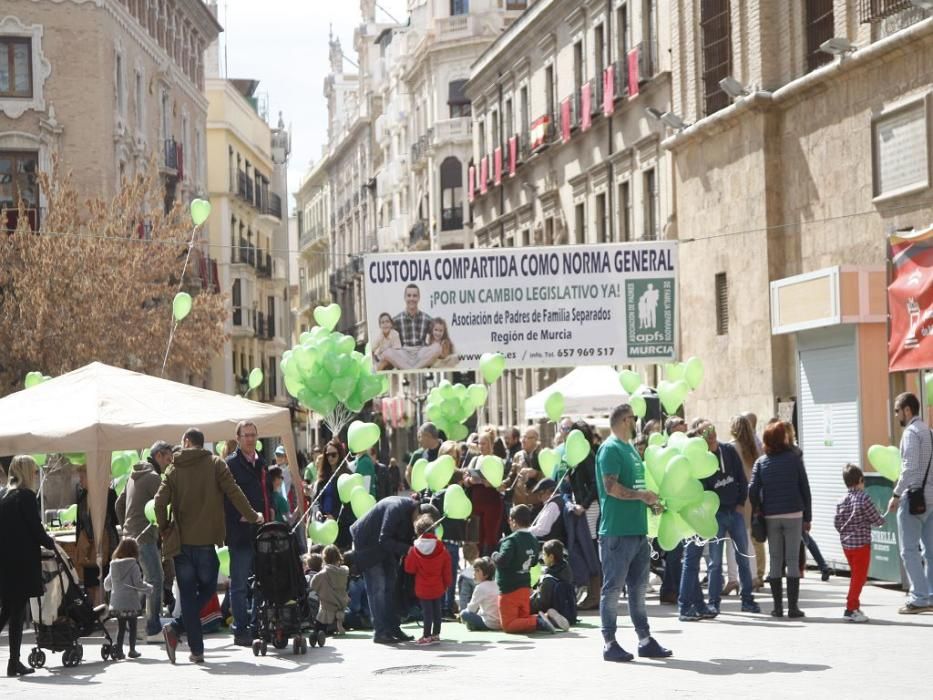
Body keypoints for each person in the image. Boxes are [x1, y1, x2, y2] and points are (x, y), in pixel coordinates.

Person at [155, 427, 263, 664]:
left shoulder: (173, 468)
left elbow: (159, 502)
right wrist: (253, 515)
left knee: (189, 596)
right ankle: (179, 633)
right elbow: (234, 493)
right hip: (206, 543)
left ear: (185, 442)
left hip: (181, 544)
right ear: (202, 444)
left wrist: (164, 528)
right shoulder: (216, 464)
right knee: (206, 591)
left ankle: (194, 648)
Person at [596, 404, 671, 662]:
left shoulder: (629, 449)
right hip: (617, 531)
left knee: (638, 589)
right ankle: (609, 643)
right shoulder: (610, 449)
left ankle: (645, 640)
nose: (636, 423)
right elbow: (611, 488)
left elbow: (638, 486)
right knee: (613, 589)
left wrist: (651, 501)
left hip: (637, 530)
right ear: (626, 420)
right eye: (634, 419)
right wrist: (642, 496)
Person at [350, 495, 439, 644]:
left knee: (392, 585)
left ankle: (393, 627)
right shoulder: (395, 508)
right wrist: (409, 549)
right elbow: (384, 538)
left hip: (386, 546)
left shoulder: (411, 516)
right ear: (419, 514)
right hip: (367, 542)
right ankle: (380, 631)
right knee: (378, 587)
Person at [693, 420, 760, 616]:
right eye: (706, 432)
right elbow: (701, 490)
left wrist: (740, 504)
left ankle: (747, 599)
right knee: (714, 562)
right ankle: (714, 603)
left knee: (743, 558)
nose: (711, 434)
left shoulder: (728, 451)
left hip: (735, 512)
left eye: (712, 429)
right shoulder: (701, 459)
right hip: (716, 516)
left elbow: (741, 478)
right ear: (700, 436)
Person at [748, 420, 811, 618]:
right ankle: (793, 607)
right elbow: (805, 488)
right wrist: (808, 516)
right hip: (793, 514)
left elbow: (752, 489)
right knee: (792, 559)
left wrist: (759, 507)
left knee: (775, 559)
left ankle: (777, 608)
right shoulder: (794, 459)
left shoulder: (761, 462)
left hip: (771, 515)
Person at [0, 456, 55, 677]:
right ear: (26, 472)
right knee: (16, 613)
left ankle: (14, 662)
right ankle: (14, 662)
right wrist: (51, 543)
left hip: (4, 561)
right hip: (21, 562)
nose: (36, 476)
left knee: (7, 609)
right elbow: (35, 528)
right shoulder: (26, 496)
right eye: (34, 472)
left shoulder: (3, 495)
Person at [115, 441, 171, 643]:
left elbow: (118, 504)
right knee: (155, 579)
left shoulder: (133, 475)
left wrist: (126, 528)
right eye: (167, 458)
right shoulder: (154, 478)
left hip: (130, 538)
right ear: (158, 456)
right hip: (145, 537)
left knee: (137, 583)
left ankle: (133, 627)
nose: (169, 463)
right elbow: (163, 506)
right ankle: (153, 627)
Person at [225, 420, 273, 646]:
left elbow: (267, 493)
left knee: (262, 582)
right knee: (240, 583)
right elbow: (224, 498)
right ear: (238, 438)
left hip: (262, 531)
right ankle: (240, 630)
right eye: (246, 435)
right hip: (240, 532)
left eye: (253, 435)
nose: (251, 439)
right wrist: (239, 516)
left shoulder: (261, 463)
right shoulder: (231, 464)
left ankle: (257, 625)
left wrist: (270, 512)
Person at [888, 392, 933, 613]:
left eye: (897, 410)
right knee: (931, 551)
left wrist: (896, 494)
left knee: (908, 550)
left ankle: (919, 598)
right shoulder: (930, 432)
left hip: (914, 498)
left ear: (907, 410)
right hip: (932, 500)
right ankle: (931, 595)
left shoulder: (911, 433)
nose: (896, 415)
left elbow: (909, 467)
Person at [493, 504, 558, 633]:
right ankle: (546, 619)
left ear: (513, 521)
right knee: (522, 618)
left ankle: (539, 621)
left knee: (509, 624)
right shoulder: (533, 540)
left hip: (508, 588)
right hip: (525, 586)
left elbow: (502, 561)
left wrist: (494, 555)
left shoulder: (510, 541)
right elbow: (534, 562)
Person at [835, 464, 885, 622]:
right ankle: (850, 609)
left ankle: (855, 606)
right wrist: (883, 517)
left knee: (855, 576)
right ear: (860, 480)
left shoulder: (841, 500)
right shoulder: (864, 498)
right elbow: (876, 520)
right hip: (861, 545)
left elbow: (837, 523)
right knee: (859, 578)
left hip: (846, 545)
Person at [74, 467, 120, 606]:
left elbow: (116, 519)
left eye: (82, 477)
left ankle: (101, 609)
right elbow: (79, 523)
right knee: (90, 581)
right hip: (87, 546)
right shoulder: (82, 496)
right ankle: (94, 610)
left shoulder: (109, 494)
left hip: (106, 544)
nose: (80, 481)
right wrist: (79, 544)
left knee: (102, 579)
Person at [404, 515, 453, 645]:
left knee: (427, 612)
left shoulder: (415, 549)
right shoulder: (441, 547)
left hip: (422, 586)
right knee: (437, 609)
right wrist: (447, 583)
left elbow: (410, 569)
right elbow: (447, 568)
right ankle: (436, 634)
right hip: (438, 585)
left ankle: (426, 635)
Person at [730, 415, 766, 589]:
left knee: (734, 539)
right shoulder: (754, 448)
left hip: (737, 497)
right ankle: (754, 575)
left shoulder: (731, 447)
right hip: (751, 496)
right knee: (749, 537)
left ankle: (736, 578)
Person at [104, 537, 153, 660]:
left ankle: (119, 651)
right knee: (133, 627)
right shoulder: (133, 565)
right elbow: (138, 584)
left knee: (120, 628)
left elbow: (107, 584)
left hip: (117, 603)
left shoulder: (113, 565)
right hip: (130, 602)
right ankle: (132, 650)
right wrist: (149, 588)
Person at [465, 430, 505, 556]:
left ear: (491, 445)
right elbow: (465, 480)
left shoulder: (497, 460)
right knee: (478, 537)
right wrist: (471, 480)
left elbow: (502, 484)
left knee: (491, 536)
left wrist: (491, 483)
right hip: (476, 502)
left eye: (484, 444)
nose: (481, 447)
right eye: (480, 444)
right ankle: (479, 564)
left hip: (492, 502)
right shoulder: (475, 460)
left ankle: (491, 563)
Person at [382, 284, 437, 369]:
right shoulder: (396, 320)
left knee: (437, 348)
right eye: (409, 296)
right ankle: (410, 368)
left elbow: (435, 338)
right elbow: (390, 340)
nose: (411, 298)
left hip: (420, 352)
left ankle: (413, 368)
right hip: (404, 353)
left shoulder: (427, 319)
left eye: (414, 296)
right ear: (405, 298)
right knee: (387, 352)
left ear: (419, 298)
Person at [530, 539, 574, 629]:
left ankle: (549, 618)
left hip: (550, 607)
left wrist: (528, 601)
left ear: (551, 557)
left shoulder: (548, 578)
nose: (542, 557)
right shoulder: (566, 569)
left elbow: (542, 603)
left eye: (544, 554)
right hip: (568, 610)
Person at [310, 545, 350, 644]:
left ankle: (318, 633)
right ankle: (335, 625)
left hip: (327, 608)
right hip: (341, 605)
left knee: (319, 622)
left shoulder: (322, 574)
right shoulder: (344, 572)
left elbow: (313, 585)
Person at [460, 556, 501, 631]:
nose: (474, 574)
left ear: (486, 574)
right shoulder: (496, 584)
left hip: (489, 623)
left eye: (477, 571)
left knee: (464, 614)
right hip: (499, 622)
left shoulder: (480, 587)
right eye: (474, 570)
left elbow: (471, 609)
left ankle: (474, 626)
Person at [406, 423, 442, 487]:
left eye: (420, 436)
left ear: (427, 435)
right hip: (425, 495)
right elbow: (408, 473)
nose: (419, 440)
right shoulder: (419, 454)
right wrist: (415, 489)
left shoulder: (445, 450)